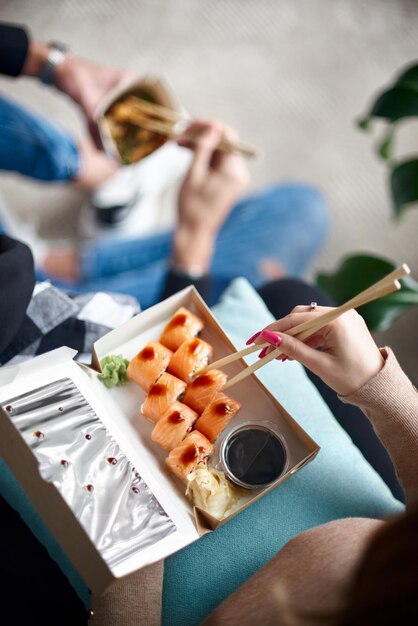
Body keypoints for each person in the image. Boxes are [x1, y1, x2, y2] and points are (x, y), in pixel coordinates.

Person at [0, 22, 330, 309]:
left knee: (301, 208)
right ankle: (61, 262)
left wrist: (47, 62)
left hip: (13, 276)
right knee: (303, 212)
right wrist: (193, 240)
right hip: (29, 305)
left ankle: (87, 193)